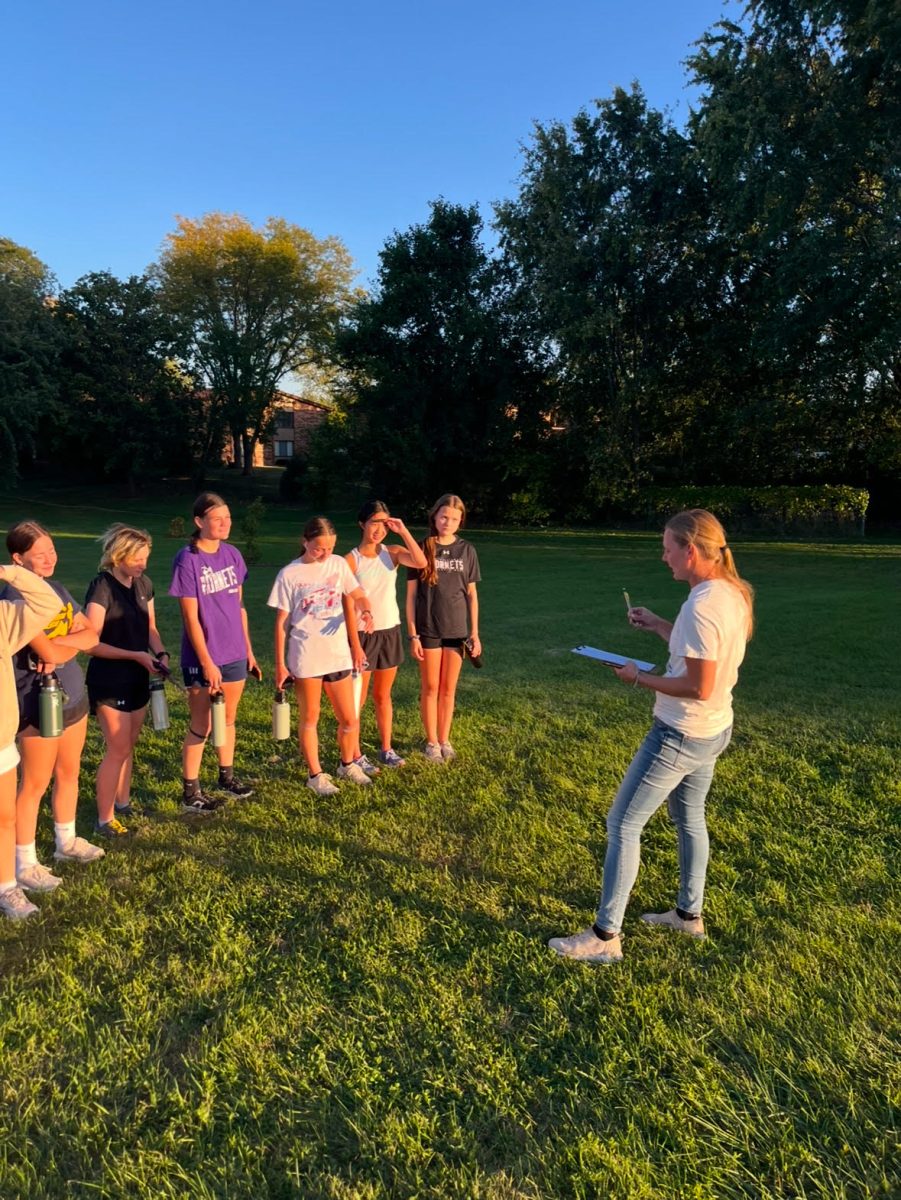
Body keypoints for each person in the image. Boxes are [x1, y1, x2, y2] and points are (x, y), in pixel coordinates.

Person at [548, 509, 754, 965]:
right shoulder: (730, 593)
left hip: (680, 732)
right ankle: (688, 914)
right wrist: (662, 625)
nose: (664, 558)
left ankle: (605, 935)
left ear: (692, 550)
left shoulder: (702, 605)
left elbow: (697, 685)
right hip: (713, 729)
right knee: (690, 819)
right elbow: (702, 656)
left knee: (623, 824)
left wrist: (636, 678)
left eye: (668, 549)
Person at [5, 522, 104, 895]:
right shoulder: (14, 598)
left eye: (52, 549)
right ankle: (25, 862)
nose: (51, 557)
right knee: (34, 784)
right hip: (36, 701)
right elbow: (45, 652)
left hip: (72, 695)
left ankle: (67, 842)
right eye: (40, 553)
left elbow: (92, 633)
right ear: (18, 559)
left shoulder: (56, 589)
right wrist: (68, 643)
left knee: (69, 772)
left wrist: (65, 642)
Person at [269, 516, 375, 796]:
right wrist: (280, 665)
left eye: (330, 548)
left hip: (337, 654)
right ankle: (315, 775)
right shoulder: (290, 574)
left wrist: (365, 609)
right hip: (306, 657)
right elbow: (281, 623)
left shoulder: (338, 564)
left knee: (350, 719)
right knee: (310, 718)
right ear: (305, 543)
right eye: (319, 548)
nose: (325, 554)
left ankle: (346, 763)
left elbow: (357, 593)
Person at [169, 493, 259, 814]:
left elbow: (239, 606)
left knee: (229, 718)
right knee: (202, 723)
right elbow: (190, 617)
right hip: (203, 657)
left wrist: (248, 649)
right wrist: (206, 661)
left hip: (234, 650)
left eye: (228, 518)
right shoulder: (187, 559)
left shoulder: (233, 554)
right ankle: (191, 791)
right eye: (217, 518)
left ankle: (227, 777)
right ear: (199, 522)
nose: (225, 524)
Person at [84, 524, 167, 837]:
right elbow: (90, 642)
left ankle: (123, 802)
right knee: (117, 748)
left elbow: (151, 628)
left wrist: (161, 653)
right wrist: (135, 656)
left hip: (138, 675)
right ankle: (104, 820)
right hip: (109, 678)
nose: (143, 564)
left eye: (146, 557)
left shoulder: (144, 584)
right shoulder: (101, 587)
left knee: (128, 745)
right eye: (136, 558)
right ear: (117, 558)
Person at [0, 561, 65, 920]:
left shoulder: (3, 619)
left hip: (0, 740)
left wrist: (9, 572)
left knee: (4, 817)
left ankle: (7, 887)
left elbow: (47, 604)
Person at [344, 500, 426, 769]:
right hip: (362, 636)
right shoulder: (350, 561)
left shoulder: (392, 553)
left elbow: (421, 561)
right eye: (373, 523)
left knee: (383, 695)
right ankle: (355, 754)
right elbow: (345, 606)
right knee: (358, 698)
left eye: (383, 523)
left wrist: (403, 531)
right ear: (362, 524)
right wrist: (355, 645)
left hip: (390, 631)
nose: (378, 529)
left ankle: (386, 749)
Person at [405, 493, 481, 762]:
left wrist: (474, 632)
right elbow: (411, 596)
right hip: (428, 629)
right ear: (434, 516)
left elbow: (471, 594)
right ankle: (431, 742)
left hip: (457, 629)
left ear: (461, 521)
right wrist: (413, 633)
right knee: (430, 687)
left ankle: (445, 738)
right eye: (443, 517)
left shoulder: (467, 550)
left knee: (449, 689)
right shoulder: (422, 547)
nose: (448, 522)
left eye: (454, 519)